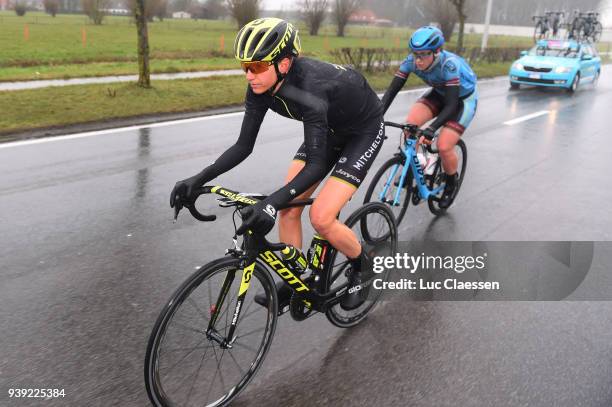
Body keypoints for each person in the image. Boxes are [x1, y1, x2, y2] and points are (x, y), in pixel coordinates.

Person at [169, 18, 386, 310]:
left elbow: (317, 166)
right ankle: (297, 280)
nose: (249, 75)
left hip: (363, 130)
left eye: (257, 66)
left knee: (321, 217)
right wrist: (198, 179)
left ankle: (363, 266)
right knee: (288, 209)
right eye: (244, 67)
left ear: (283, 64)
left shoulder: (311, 89)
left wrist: (270, 202)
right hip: (327, 129)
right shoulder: (260, 88)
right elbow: (243, 146)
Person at [381, 26, 477, 208]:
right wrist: (376, 116)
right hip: (439, 93)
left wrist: (432, 129)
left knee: (444, 145)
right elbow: (391, 91)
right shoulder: (411, 61)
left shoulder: (449, 65)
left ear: (437, 52)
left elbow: (451, 105)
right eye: (415, 54)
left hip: (462, 100)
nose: (418, 60)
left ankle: (451, 182)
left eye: (423, 55)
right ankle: (420, 164)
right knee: (410, 126)